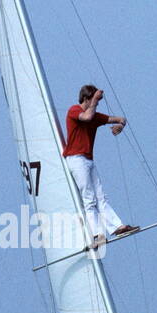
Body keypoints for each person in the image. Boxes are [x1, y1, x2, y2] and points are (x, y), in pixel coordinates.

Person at [63, 85, 140, 247]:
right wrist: (95, 101)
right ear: (86, 99)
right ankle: (98, 235)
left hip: (88, 160)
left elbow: (120, 118)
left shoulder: (95, 115)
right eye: (93, 99)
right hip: (75, 159)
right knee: (89, 199)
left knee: (101, 197)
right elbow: (86, 117)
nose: (95, 103)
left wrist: (120, 125)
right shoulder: (74, 111)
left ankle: (118, 227)